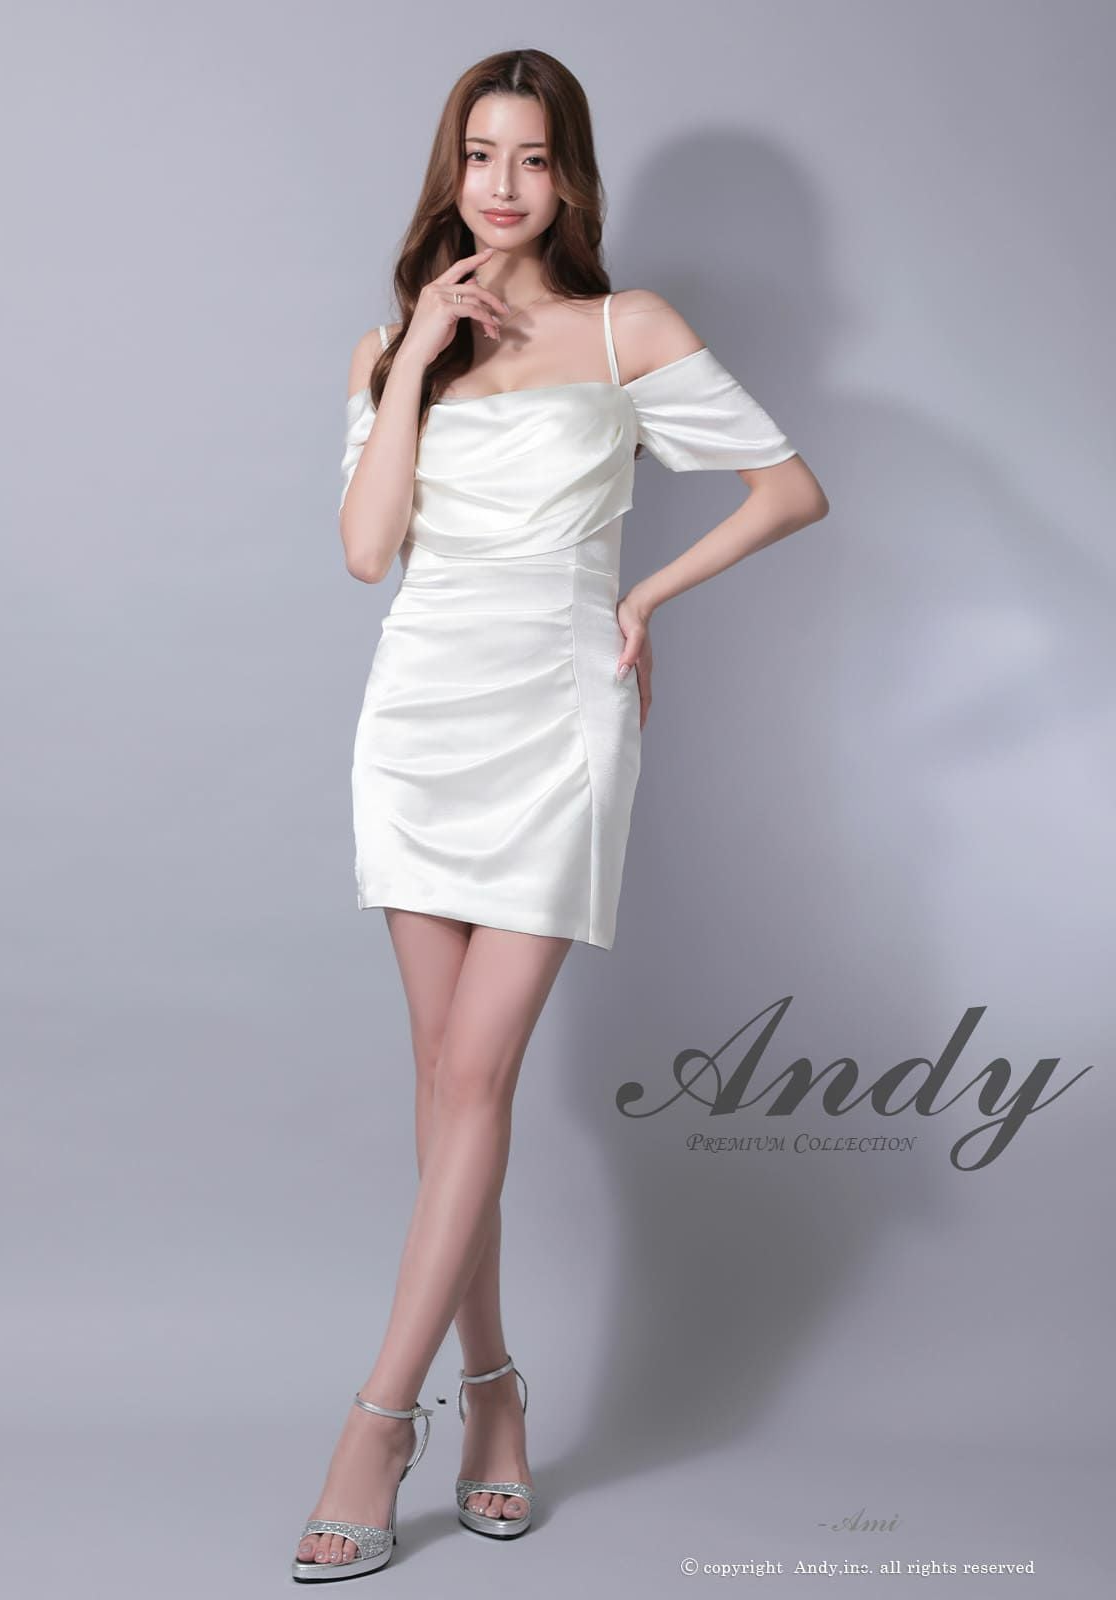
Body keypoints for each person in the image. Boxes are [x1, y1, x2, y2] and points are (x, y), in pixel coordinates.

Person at [294, 47, 829, 1582]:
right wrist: (415, 356)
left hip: (558, 721)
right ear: (451, 169)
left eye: (533, 157)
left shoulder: (625, 329)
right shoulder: (392, 344)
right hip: (417, 725)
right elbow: (367, 551)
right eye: (482, 155)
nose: (505, 184)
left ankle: (377, 1421)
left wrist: (642, 599)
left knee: (476, 1075)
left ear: (571, 176)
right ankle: (496, 1394)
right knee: (443, 1083)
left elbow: (788, 488)